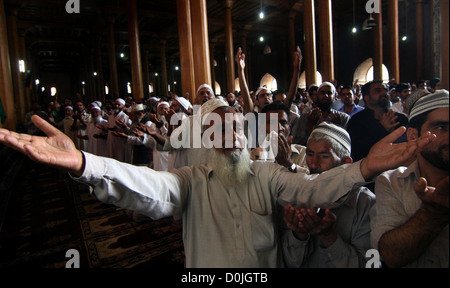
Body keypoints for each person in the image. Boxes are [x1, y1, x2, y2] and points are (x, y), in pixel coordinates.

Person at [0, 97, 436, 268]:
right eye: (217, 130)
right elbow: (148, 187)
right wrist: (84, 163)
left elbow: (312, 189)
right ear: (206, 140)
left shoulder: (266, 174)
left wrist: (363, 168)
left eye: (235, 128)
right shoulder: (190, 181)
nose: (229, 137)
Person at [370, 90, 449, 268]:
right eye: (441, 128)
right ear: (414, 135)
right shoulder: (392, 182)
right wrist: (433, 214)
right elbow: (389, 255)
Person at [282, 122, 375, 268]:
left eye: (324, 157)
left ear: (346, 162)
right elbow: (289, 262)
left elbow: (372, 264)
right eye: (310, 155)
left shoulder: (365, 203)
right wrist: (299, 234)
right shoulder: (299, 193)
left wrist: (328, 236)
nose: (313, 164)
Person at [347, 80, 409, 162]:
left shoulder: (399, 118)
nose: (384, 93)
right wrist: (382, 129)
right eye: (378, 90)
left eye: (385, 90)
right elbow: (358, 153)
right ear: (366, 97)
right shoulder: (356, 121)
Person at [292, 82, 350, 146]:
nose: (326, 96)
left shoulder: (344, 118)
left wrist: (337, 128)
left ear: (334, 97)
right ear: (317, 96)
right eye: (322, 93)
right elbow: (298, 143)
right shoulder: (305, 117)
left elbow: (346, 144)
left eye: (329, 93)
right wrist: (310, 125)